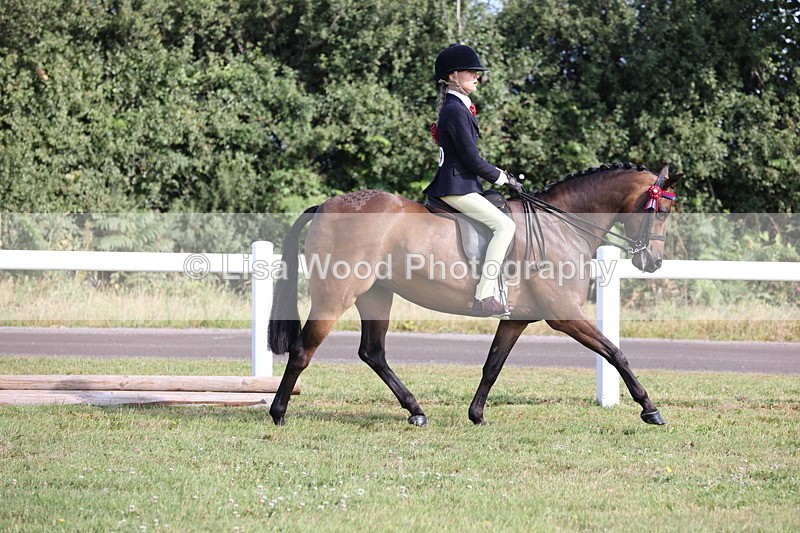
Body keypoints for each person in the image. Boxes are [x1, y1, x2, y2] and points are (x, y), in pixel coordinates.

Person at [424, 43, 522, 318]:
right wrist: (503, 178)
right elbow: (471, 160)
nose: (477, 76)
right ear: (453, 76)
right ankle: (484, 295)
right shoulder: (455, 109)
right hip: (455, 186)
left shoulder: (457, 106)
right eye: (472, 71)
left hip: (461, 183)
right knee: (504, 226)